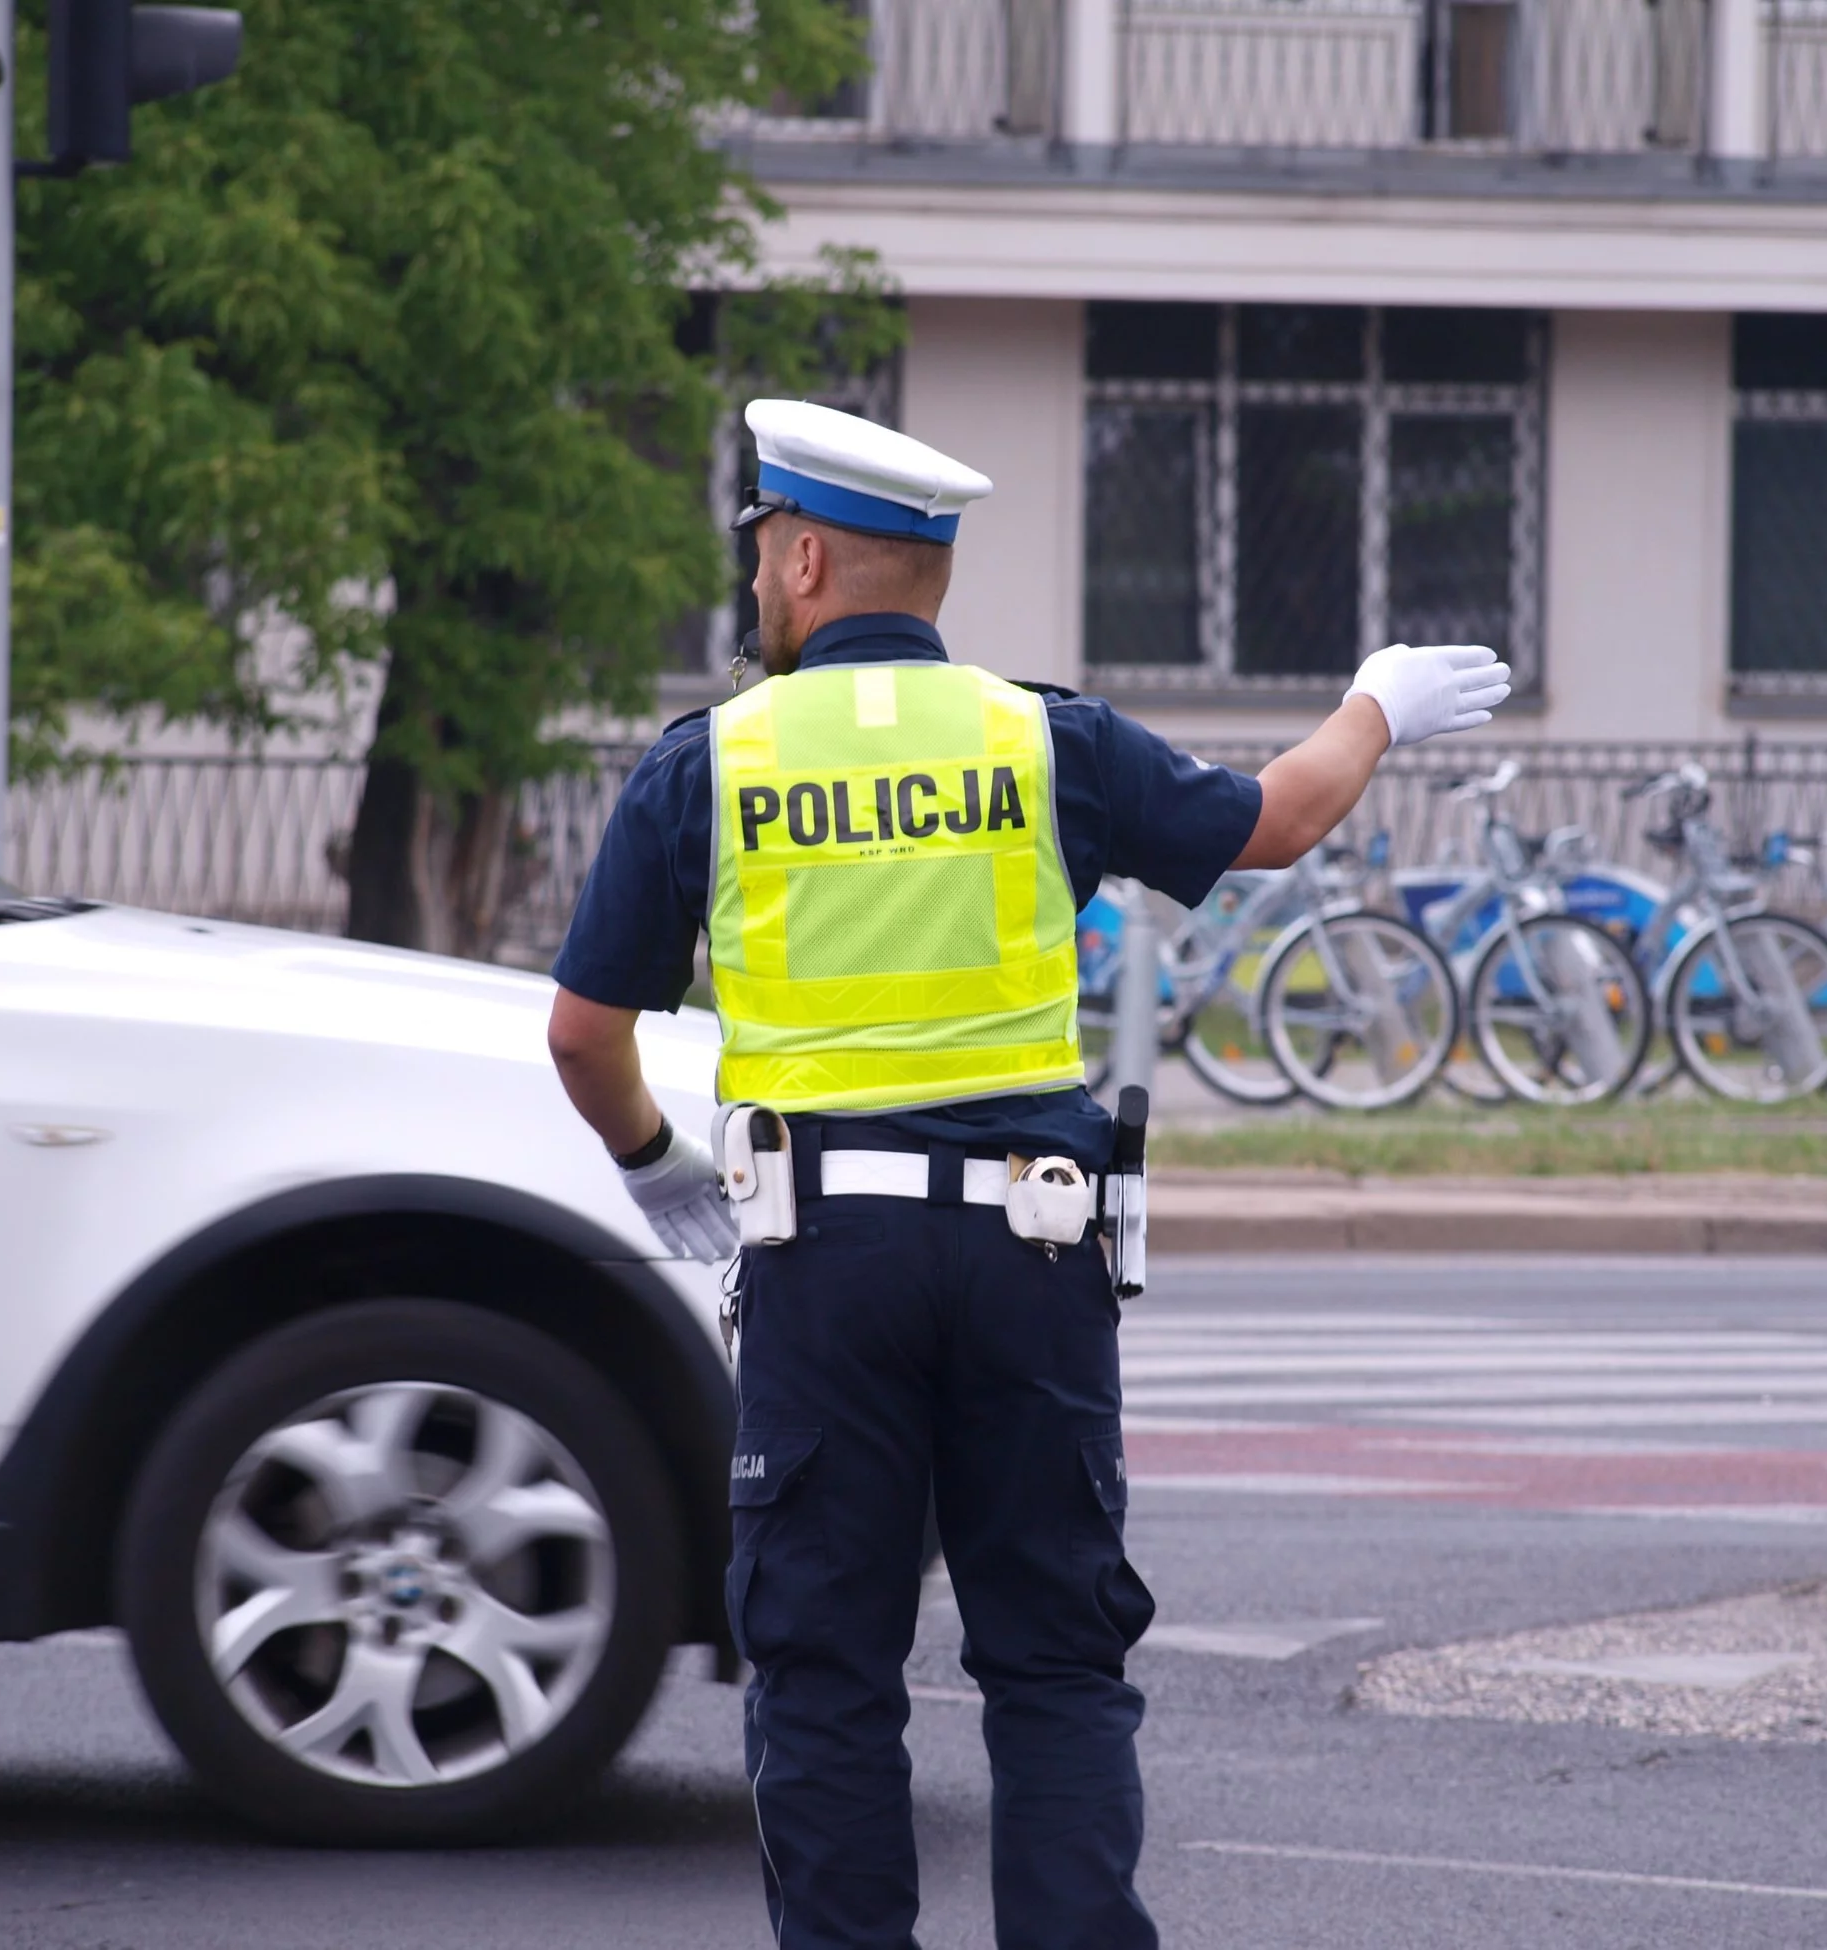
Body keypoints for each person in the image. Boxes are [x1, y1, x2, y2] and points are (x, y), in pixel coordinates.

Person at [545, 398, 1508, 1950]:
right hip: (1030, 1257)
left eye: (758, 564)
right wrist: (1374, 703)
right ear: (921, 579)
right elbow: (1273, 821)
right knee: (1054, 1664)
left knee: (826, 1667)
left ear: (796, 561)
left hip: (821, 1268)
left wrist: (661, 1170)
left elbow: (584, 1035)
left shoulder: (704, 766)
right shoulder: (1038, 736)